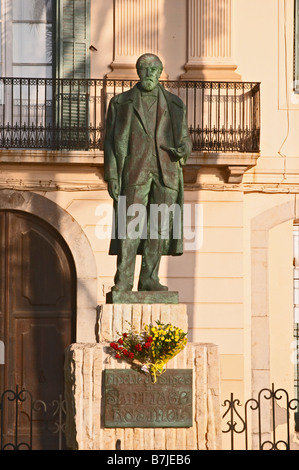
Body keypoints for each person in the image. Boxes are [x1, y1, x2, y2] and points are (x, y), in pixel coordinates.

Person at [104, 53, 192, 292]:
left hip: (166, 173)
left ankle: (149, 278)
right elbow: (110, 142)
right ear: (138, 72)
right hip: (134, 172)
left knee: (159, 229)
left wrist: (183, 149)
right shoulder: (121, 103)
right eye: (145, 68)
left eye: (154, 69)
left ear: (160, 72)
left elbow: (185, 138)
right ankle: (123, 281)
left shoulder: (175, 104)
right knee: (130, 227)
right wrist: (112, 175)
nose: (150, 73)